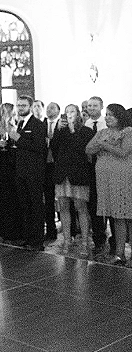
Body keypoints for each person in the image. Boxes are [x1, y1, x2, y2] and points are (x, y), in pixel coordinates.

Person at [86, 103, 132, 266]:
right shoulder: (102, 132)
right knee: (117, 217)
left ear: (120, 116)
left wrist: (104, 145)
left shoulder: (128, 131)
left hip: (123, 178)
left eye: (111, 114)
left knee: (129, 217)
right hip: (106, 180)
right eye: (106, 114)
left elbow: (123, 152)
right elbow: (89, 149)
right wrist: (105, 143)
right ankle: (119, 254)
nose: (107, 117)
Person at [50, 105, 94, 257]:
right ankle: (67, 240)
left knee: (81, 207)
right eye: (67, 112)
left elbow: (83, 149)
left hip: (79, 173)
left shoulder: (86, 131)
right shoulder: (61, 131)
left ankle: (85, 242)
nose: (69, 114)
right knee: (63, 206)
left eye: (72, 111)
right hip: (62, 173)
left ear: (78, 114)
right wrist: (58, 130)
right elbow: (54, 148)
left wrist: (72, 130)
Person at [8, 95, 47, 250]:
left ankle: (38, 241)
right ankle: (28, 237)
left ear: (30, 107)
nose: (20, 108)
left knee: (36, 206)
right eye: (18, 105)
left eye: (23, 105)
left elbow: (39, 147)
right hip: (21, 170)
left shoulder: (37, 124)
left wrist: (18, 139)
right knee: (24, 205)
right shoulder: (19, 123)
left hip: (34, 171)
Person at [84, 95, 110, 254]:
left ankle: (113, 238)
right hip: (88, 169)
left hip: (106, 167)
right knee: (93, 204)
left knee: (108, 202)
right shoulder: (84, 125)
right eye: (89, 106)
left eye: (95, 105)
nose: (91, 108)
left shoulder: (106, 124)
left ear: (101, 107)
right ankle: (98, 238)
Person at [0, 102, 20, 241]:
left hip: (15, 162)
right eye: (7, 111)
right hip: (3, 162)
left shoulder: (16, 125)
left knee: (15, 194)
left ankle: (16, 228)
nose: (9, 114)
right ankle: (4, 228)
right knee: (4, 194)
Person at [42, 101, 61, 241]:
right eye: (48, 108)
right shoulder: (41, 124)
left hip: (58, 165)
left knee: (64, 199)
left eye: (52, 108)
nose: (49, 110)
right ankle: (50, 229)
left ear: (58, 111)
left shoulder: (62, 124)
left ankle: (71, 231)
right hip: (45, 166)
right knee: (48, 199)